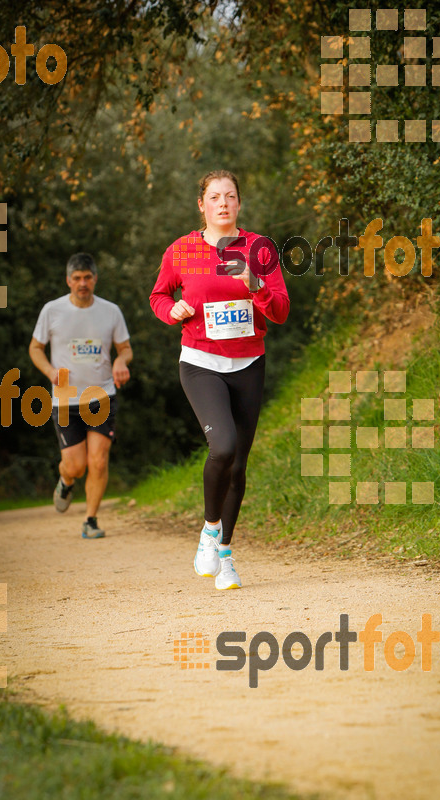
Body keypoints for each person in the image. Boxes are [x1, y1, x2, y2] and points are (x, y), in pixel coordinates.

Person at [150, 169, 289, 590]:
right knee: (223, 446)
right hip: (200, 362)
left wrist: (255, 283)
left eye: (230, 196)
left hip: (249, 363)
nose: (223, 203)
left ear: (239, 204)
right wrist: (170, 311)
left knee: (239, 465)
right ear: (202, 205)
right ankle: (210, 531)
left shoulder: (259, 249)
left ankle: (224, 553)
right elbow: (159, 296)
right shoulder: (182, 251)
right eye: (215, 197)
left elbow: (280, 311)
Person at [29, 253, 132, 539]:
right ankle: (65, 480)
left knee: (98, 461)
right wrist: (50, 370)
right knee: (75, 465)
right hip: (65, 399)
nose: (82, 283)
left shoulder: (110, 311)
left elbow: (124, 348)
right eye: (77, 278)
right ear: (68, 280)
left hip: (101, 394)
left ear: (95, 279)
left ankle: (91, 519)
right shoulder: (52, 310)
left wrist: (121, 361)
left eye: (87, 277)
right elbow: (35, 348)